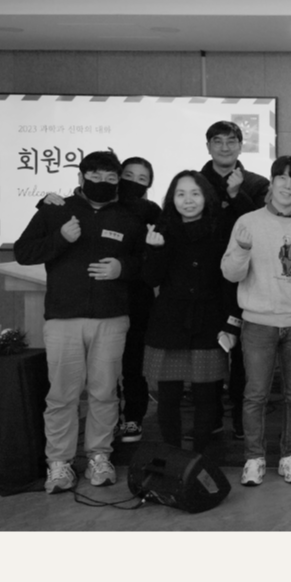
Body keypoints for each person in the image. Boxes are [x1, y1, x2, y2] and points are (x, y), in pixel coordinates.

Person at [13, 150, 145, 493]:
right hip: (63, 318)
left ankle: (100, 456)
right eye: (95, 176)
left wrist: (122, 268)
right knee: (62, 395)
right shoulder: (56, 209)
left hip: (111, 318)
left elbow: (146, 262)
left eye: (110, 178)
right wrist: (60, 238)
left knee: (104, 393)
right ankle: (59, 463)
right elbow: (23, 252)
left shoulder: (128, 216)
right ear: (81, 178)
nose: (102, 182)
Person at [221, 155, 291, 488]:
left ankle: (289, 456)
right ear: (272, 181)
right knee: (255, 395)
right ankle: (253, 459)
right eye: (282, 178)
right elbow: (230, 274)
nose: (288, 185)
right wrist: (242, 249)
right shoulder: (248, 222)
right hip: (258, 323)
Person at [141, 171, 243, 455]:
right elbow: (150, 279)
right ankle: (171, 458)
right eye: (181, 194)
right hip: (169, 323)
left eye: (195, 193)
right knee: (168, 397)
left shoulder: (222, 230)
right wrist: (155, 250)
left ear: (206, 197)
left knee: (207, 396)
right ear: (172, 199)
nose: (188, 200)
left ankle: (200, 458)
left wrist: (232, 324)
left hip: (209, 322)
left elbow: (230, 283)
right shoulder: (160, 230)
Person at [198, 120, 271, 439]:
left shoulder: (257, 183)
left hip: (246, 278)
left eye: (231, 141)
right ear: (208, 146)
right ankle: (209, 417)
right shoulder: (195, 182)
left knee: (244, 352)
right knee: (207, 349)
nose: (225, 147)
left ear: (241, 146)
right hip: (204, 278)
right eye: (218, 141)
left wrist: (235, 194)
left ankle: (243, 420)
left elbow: (262, 225)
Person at [114, 157, 161, 444]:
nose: (134, 182)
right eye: (128, 175)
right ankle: (109, 419)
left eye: (142, 179)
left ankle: (133, 417)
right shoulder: (104, 206)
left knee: (134, 363)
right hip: (106, 295)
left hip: (139, 297)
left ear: (149, 184)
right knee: (106, 366)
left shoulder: (152, 211)